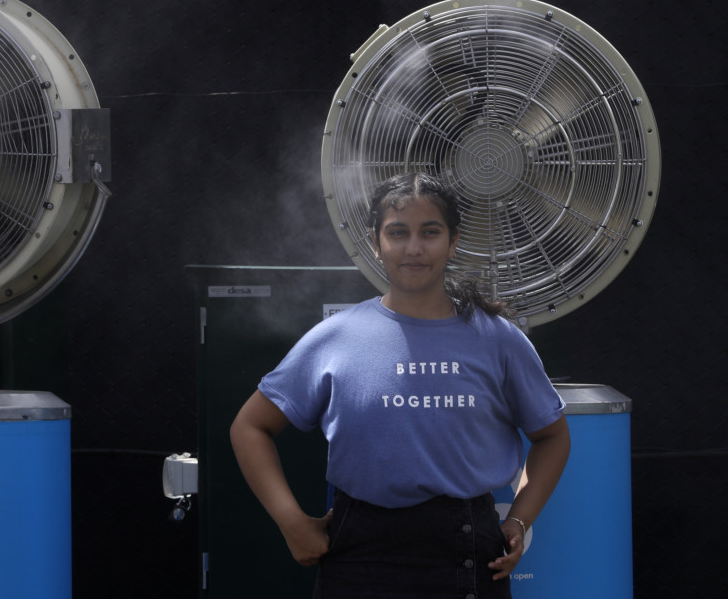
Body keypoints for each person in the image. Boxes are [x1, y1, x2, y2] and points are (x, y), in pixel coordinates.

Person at [230, 172, 570, 598]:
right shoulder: (337, 336)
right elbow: (249, 427)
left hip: (470, 550)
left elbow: (552, 436)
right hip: (359, 555)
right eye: (397, 233)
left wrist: (519, 519)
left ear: (453, 240)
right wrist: (292, 522)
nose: (413, 248)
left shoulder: (497, 338)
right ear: (375, 242)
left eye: (430, 232)